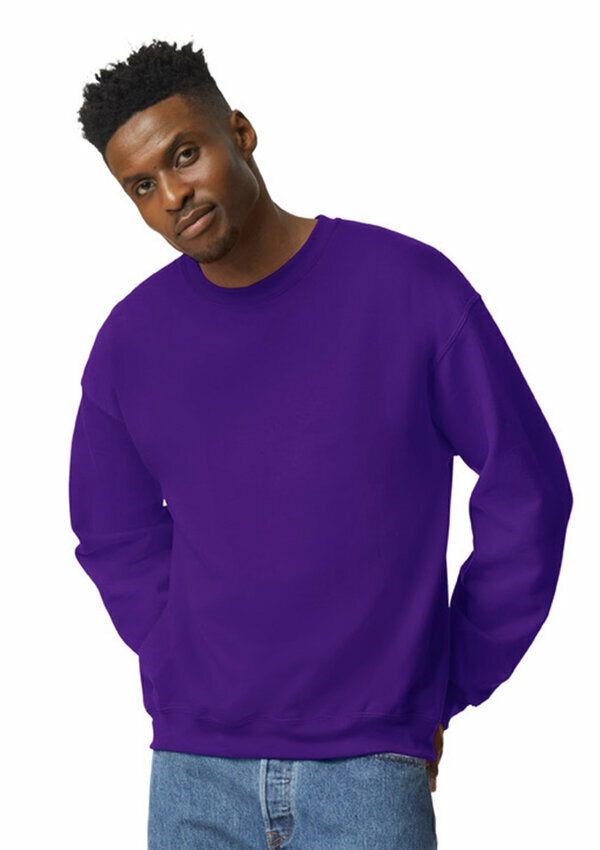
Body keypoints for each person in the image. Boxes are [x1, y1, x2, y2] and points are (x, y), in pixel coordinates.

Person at [68, 38, 573, 849]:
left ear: (240, 132)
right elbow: (113, 532)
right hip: (194, 771)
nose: (172, 195)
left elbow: (528, 487)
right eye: (142, 185)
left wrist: (452, 672)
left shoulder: (410, 290)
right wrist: (176, 654)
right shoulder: (131, 342)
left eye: (184, 154)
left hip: (368, 769)